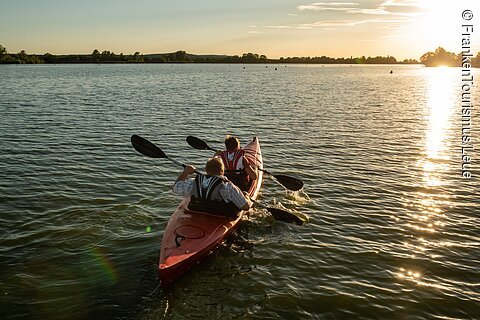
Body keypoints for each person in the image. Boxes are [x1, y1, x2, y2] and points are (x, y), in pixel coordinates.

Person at [173, 157, 252, 217]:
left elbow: (176, 187)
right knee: (244, 196)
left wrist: (186, 172)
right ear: (222, 171)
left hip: (197, 210)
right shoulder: (227, 186)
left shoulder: (193, 182)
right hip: (219, 215)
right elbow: (245, 207)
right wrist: (246, 196)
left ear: (206, 170)